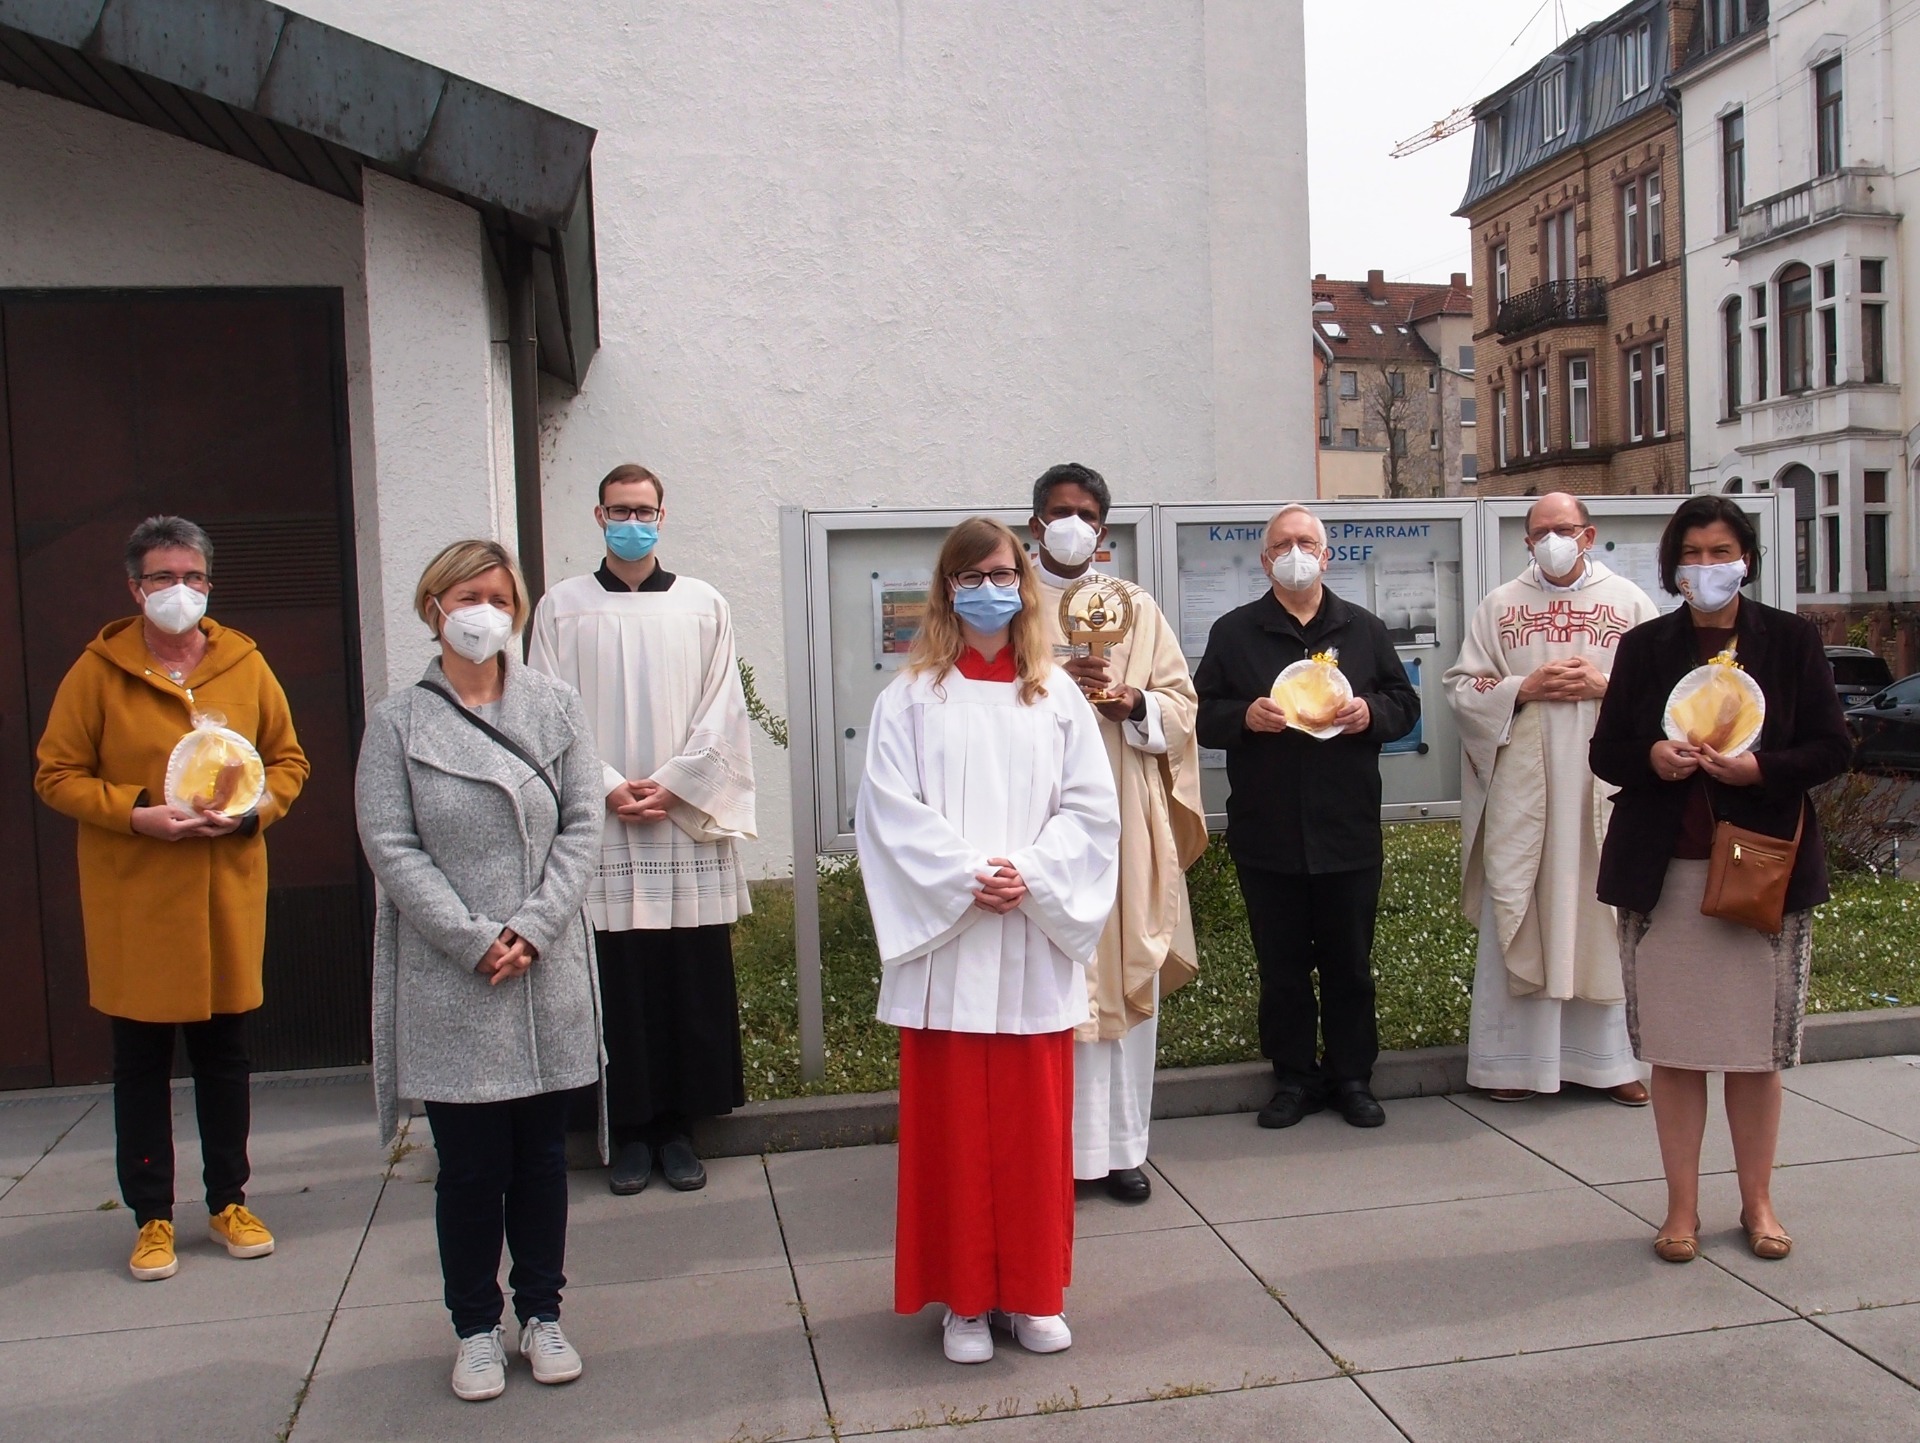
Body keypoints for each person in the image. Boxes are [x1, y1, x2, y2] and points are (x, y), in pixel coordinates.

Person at [856, 517, 1119, 1365]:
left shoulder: (1057, 694)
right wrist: (974, 875)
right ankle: (965, 1300)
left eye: (1002, 572)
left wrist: (1033, 875)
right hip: (952, 943)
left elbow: (1092, 809)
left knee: (1035, 1127)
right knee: (954, 1129)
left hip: (1031, 933)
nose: (987, 589)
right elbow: (888, 816)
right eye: (969, 576)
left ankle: (1032, 1291)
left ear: (1023, 581)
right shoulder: (909, 696)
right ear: (946, 588)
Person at [356, 540, 605, 1401]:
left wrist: (531, 927)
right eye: (469, 594)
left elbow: (583, 826)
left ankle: (542, 1311)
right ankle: (474, 1327)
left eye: (501, 597)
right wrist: (471, 937)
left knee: (541, 1157)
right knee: (468, 1169)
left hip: (543, 969)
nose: (485, 611)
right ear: (434, 605)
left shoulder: (556, 706)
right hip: (454, 974)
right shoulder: (398, 720)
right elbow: (391, 843)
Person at [34, 516, 309, 1283]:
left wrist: (254, 811)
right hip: (138, 899)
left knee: (226, 1056)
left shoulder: (244, 664)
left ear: (210, 583)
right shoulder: (98, 670)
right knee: (142, 1063)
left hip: (225, 893)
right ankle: (152, 1215)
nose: (179, 591)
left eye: (193, 576)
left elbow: (288, 759)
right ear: (134, 586)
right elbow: (55, 772)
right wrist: (133, 812)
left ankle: (229, 1199)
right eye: (162, 578)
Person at [1590, 495, 1850, 1264]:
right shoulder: (1645, 647)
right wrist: (1651, 758)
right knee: (1676, 1049)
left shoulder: (1791, 641)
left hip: (1758, 872)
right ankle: (1679, 1209)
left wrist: (1759, 768)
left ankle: (1758, 1202)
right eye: (1693, 553)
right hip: (1666, 872)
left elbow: (1833, 747)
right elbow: (1608, 751)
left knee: (1754, 1051)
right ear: (1673, 565)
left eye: (1721, 551)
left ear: (1747, 557)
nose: (1707, 566)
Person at [526, 464, 756, 1197]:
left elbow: (725, 708)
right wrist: (603, 787)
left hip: (679, 822)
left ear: (663, 514)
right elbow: (545, 711)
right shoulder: (560, 608)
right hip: (604, 826)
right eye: (621, 509)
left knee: (684, 973)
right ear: (598, 515)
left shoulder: (703, 604)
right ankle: (626, 1130)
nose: (634, 520)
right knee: (615, 980)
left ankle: (680, 1128)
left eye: (646, 509)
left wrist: (678, 782)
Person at [1194, 504, 1419, 1130]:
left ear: (1326, 556)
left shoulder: (1364, 629)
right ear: (1266, 560)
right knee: (1283, 965)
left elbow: (1405, 704)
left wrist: (1371, 711)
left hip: (1347, 828)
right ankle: (1292, 1077)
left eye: (1307, 543)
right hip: (1267, 831)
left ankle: (1352, 1077)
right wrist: (1243, 717)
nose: (1295, 553)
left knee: (1350, 963)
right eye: (1282, 544)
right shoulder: (1235, 632)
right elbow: (1202, 712)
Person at [1026, 463, 1206, 1203]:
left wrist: (1133, 703)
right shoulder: (1006, 599)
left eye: (1086, 513)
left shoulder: (1134, 605)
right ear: (1036, 520)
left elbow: (1180, 704)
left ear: (1102, 529)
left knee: (1126, 959)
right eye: (1059, 510)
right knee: (1048, 978)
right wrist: (1048, 688)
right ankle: (1047, 1151)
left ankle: (1122, 1147)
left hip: (1120, 808)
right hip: (1034, 810)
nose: (1073, 522)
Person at [1443, 493, 1657, 1105]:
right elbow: (1463, 686)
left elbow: (1664, 694)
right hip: (1524, 788)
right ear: (1528, 540)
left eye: (1563, 529)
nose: (1551, 540)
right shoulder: (1501, 605)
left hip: (1604, 787)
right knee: (1522, 905)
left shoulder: (1629, 602)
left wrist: (1604, 684)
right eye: (1540, 532)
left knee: (1603, 910)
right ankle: (1513, 1065)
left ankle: (1610, 1064)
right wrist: (1523, 685)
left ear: (1588, 536)